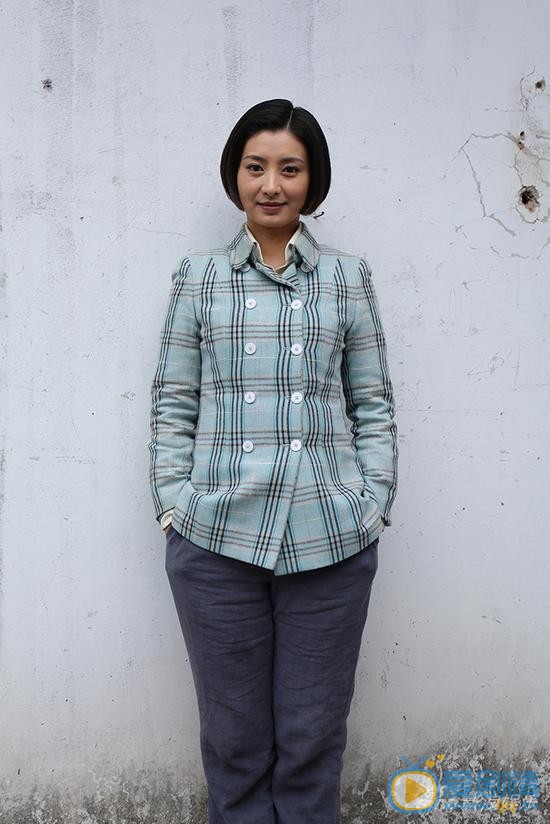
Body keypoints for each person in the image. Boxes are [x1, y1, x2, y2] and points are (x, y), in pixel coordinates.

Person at [147, 98, 398, 824]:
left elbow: (373, 401)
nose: (271, 185)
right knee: (233, 744)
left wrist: (372, 501)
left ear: (312, 180)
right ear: (235, 174)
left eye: (290, 168)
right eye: (256, 167)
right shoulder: (199, 277)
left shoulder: (347, 278)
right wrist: (173, 504)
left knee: (313, 738)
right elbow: (173, 400)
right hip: (215, 541)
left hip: (330, 541)